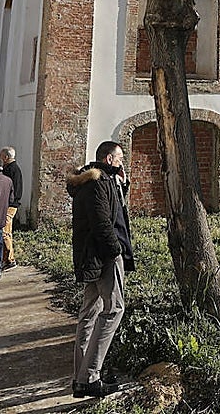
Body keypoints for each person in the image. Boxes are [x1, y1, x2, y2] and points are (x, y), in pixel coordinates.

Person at [67, 140, 137, 398]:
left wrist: (123, 185)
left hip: (92, 255)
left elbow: (114, 211)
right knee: (114, 309)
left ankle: (80, 377)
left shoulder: (96, 182)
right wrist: (116, 252)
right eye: (120, 158)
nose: (122, 162)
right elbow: (102, 222)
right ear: (109, 159)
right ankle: (89, 377)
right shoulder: (99, 183)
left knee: (90, 312)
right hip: (104, 256)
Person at [0, 146, 23, 270]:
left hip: (10, 205)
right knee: (6, 232)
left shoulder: (13, 170)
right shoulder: (9, 168)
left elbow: (15, 190)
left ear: (6, 157)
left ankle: (9, 260)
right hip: (9, 204)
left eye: (1, 155)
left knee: (4, 232)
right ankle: (5, 258)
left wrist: (8, 203)